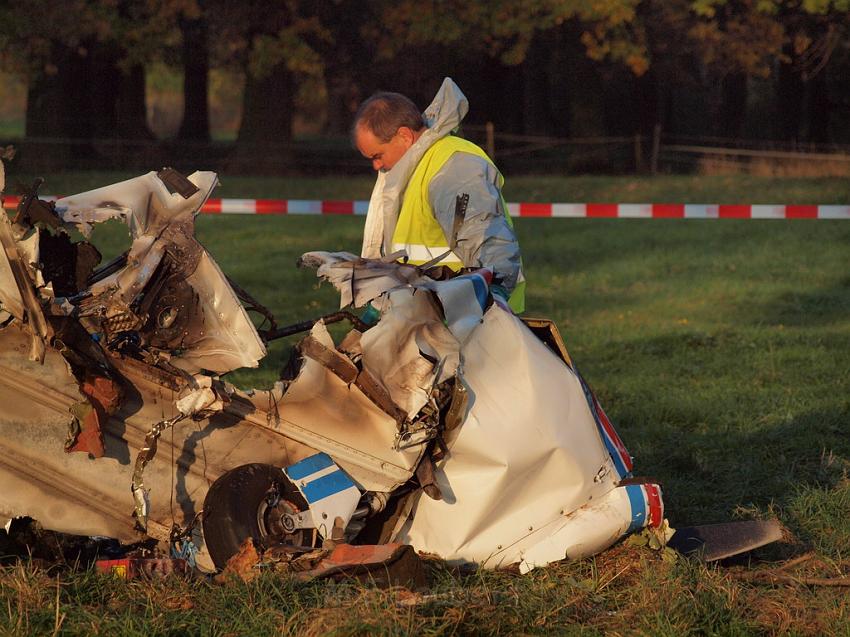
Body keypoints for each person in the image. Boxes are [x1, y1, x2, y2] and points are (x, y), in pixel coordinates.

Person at [352, 77, 525, 313]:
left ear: (404, 136)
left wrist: (494, 299)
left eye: (377, 155)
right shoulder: (410, 170)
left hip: (468, 319)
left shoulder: (453, 168)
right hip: (435, 316)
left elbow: (486, 236)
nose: (376, 166)